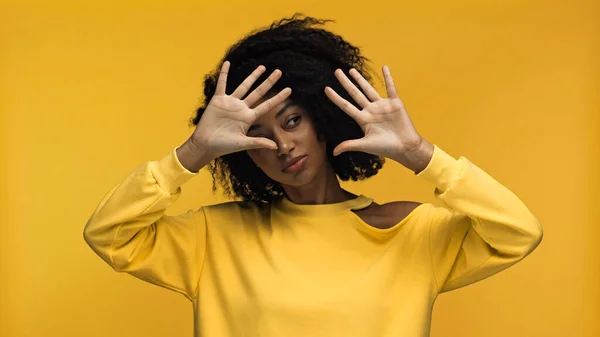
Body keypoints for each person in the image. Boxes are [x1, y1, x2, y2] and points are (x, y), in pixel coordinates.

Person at [83, 13, 543, 337]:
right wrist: (194, 152)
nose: (282, 145)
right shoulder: (215, 238)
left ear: (322, 119)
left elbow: (518, 233)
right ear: (241, 151)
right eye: (257, 134)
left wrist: (421, 155)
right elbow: (109, 235)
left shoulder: (411, 234)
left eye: (292, 121)